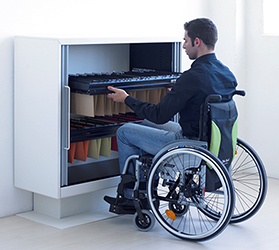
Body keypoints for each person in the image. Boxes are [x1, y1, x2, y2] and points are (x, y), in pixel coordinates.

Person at [104, 18, 238, 205]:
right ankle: (149, 181)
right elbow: (203, 98)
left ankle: (132, 197)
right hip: (213, 140)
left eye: (185, 40)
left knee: (125, 131)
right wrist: (180, 93)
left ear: (196, 41)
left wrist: (126, 98)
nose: (183, 46)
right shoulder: (226, 73)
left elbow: (159, 115)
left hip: (189, 144)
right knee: (142, 124)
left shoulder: (191, 77)